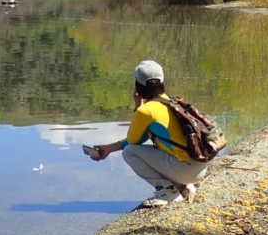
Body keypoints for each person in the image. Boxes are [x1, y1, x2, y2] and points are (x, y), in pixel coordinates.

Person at [89, 60, 208, 207]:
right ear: (163, 81)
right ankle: (182, 186)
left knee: (129, 152)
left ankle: (168, 191)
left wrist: (138, 106)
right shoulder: (173, 102)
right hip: (199, 167)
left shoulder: (146, 110)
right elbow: (142, 137)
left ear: (137, 85)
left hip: (185, 170)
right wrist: (109, 148)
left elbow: (133, 143)